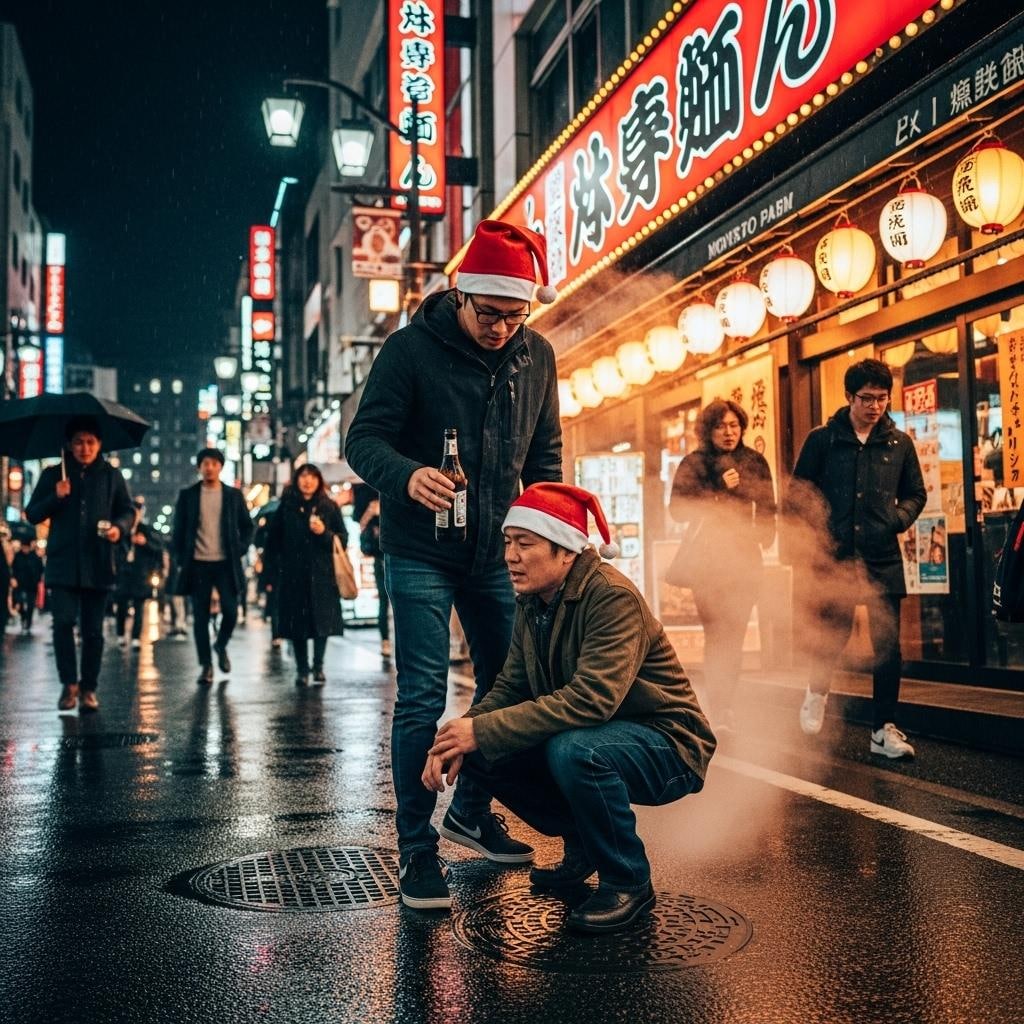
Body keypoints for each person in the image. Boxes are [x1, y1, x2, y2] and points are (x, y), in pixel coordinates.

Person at [345, 219, 563, 909]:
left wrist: (552, 535)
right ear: (460, 294)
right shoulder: (410, 350)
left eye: (515, 315)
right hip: (419, 549)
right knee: (421, 694)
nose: (502, 328)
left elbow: (546, 459)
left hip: (498, 551)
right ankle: (417, 849)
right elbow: (363, 441)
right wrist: (407, 475)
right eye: (489, 313)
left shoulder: (537, 356)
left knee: (507, 688)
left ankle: (471, 810)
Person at [423, 483, 716, 931]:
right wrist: (459, 734)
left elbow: (592, 699)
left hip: (668, 744)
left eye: (525, 544)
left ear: (565, 552)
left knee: (575, 750)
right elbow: (510, 687)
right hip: (598, 735)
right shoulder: (533, 601)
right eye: (508, 542)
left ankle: (628, 881)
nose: (510, 556)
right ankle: (583, 844)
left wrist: (480, 730)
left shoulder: (611, 596)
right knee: (481, 750)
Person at [785, 358, 926, 758]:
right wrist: (816, 538)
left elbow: (916, 493)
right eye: (866, 398)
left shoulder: (899, 444)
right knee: (834, 634)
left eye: (882, 398)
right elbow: (799, 494)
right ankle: (817, 691)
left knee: (888, 645)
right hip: (836, 558)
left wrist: (897, 519)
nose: (874, 406)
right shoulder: (824, 440)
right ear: (849, 396)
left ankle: (883, 730)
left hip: (882, 557)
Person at [669, 399, 776, 733]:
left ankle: (725, 705)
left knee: (735, 634)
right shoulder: (694, 462)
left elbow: (769, 506)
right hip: (707, 564)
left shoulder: (754, 461)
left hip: (745, 561)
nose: (729, 433)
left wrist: (765, 535)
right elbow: (677, 511)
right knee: (717, 634)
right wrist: (715, 489)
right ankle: (720, 708)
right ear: (708, 430)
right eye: (720, 426)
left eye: (734, 425)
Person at [25, 416, 134, 712]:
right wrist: (55, 496)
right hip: (63, 563)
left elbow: (127, 511)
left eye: (90, 442)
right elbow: (32, 513)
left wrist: (119, 528)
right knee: (62, 623)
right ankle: (69, 684)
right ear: (69, 445)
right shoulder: (53, 474)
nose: (84, 448)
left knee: (93, 631)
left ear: (99, 444)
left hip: (99, 563)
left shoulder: (111, 476)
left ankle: (89, 688)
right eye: (78, 442)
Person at [172, 447, 254, 685]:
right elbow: (178, 531)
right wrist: (181, 559)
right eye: (205, 463)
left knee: (231, 611)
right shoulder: (188, 495)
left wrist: (239, 549)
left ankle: (220, 644)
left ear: (220, 467)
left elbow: (248, 527)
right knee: (200, 616)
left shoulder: (233, 495)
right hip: (198, 564)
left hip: (226, 564)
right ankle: (206, 665)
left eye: (214, 464)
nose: (209, 468)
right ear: (199, 467)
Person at [263, 464, 346, 686]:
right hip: (293, 576)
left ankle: (318, 666)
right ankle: (302, 669)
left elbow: (343, 539)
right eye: (303, 476)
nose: (307, 481)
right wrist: (272, 574)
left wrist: (324, 533)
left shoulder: (329, 507)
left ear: (319, 481)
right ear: (296, 480)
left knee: (322, 623)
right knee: (297, 625)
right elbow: (273, 542)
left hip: (323, 576)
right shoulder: (286, 507)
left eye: (312, 477)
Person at [114, 497, 163, 650]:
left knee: (139, 607)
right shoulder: (122, 528)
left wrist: (145, 543)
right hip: (124, 572)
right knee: (121, 606)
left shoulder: (146, 530)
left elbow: (158, 549)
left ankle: (136, 637)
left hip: (139, 573)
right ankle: (121, 635)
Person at [356, 487, 390, 658]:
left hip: (399, 556)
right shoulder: (367, 497)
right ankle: (385, 640)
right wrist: (370, 512)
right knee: (383, 602)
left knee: (402, 604)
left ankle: (399, 642)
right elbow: (362, 528)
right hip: (381, 560)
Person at [11, 538, 45, 635]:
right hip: (20, 585)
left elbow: (40, 569)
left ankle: (28, 622)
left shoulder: (34, 557)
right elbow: (14, 568)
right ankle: (23, 618)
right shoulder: (18, 556)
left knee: (30, 605)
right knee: (19, 603)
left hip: (31, 585)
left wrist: (37, 579)